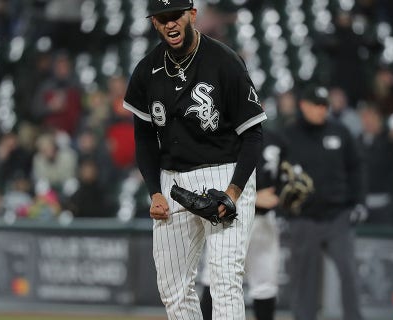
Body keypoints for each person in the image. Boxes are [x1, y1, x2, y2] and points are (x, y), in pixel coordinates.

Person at [123, 1, 267, 319]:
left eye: (174, 16)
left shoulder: (225, 62)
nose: (170, 24)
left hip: (226, 174)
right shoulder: (147, 70)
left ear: (191, 15)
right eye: (162, 19)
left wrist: (233, 193)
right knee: (173, 290)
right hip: (172, 180)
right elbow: (145, 138)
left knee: (224, 281)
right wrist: (154, 191)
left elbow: (254, 135)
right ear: (154, 24)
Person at [283, 86, 365, 320]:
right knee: (306, 279)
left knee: (349, 272)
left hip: (337, 216)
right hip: (304, 217)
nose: (322, 110)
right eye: (317, 105)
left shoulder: (340, 132)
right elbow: (276, 172)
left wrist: (358, 201)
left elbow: (356, 167)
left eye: (324, 105)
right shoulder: (290, 135)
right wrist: (282, 209)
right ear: (303, 105)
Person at [200, 129, 287, 320]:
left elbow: (285, 181)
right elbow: (211, 181)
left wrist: (282, 195)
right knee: (215, 278)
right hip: (230, 216)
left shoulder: (276, 138)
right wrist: (255, 198)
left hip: (262, 221)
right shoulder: (224, 133)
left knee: (264, 285)